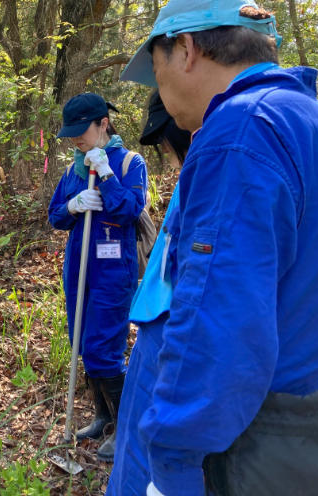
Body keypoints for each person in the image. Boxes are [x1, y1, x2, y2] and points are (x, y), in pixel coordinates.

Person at [120, 0, 318, 496]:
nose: (161, 91)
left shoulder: (239, 130)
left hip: (254, 434)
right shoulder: (304, 119)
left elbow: (219, 316)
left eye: (157, 72)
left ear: (185, 50)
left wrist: (172, 460)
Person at [48, 92, 147, 461]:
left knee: (104, 347)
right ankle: (102, 416)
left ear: (103, 123)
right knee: (82, 343)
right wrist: (73, 206)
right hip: (77, 268)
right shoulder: (73, 169)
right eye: (70, 131)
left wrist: (104, 173)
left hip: (111, 270)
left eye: (81, 130)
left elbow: (129, 210)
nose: (75, 138)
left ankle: (123, 428)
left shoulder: (129, 163)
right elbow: (55, 215)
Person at [107, 92, 192, 496]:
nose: (164, 152)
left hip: (174, 333)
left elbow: (130, 210)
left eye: (164, 141)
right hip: (155, 321)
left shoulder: (220, 167)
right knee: (135, 445)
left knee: (149, 449)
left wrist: (107, 178)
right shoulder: (195, 174)